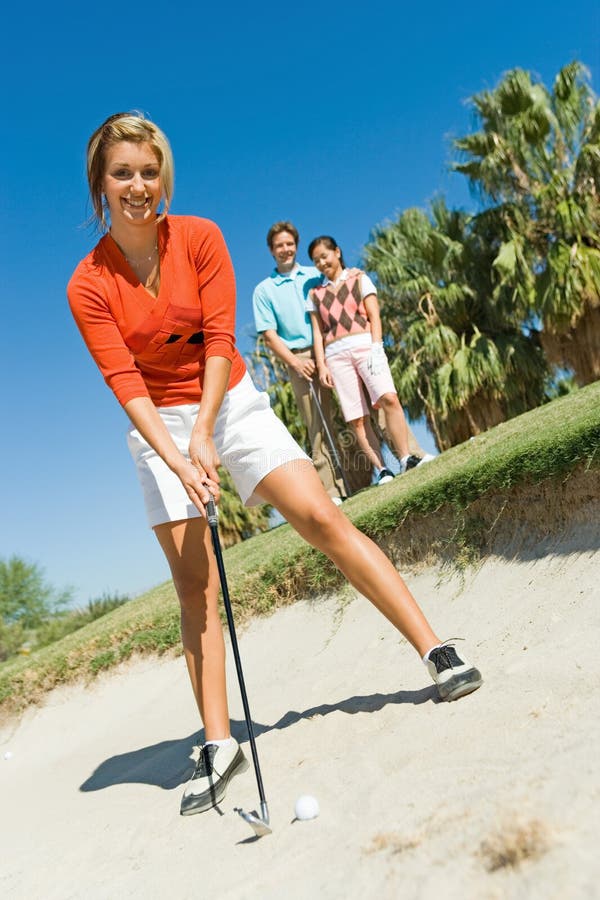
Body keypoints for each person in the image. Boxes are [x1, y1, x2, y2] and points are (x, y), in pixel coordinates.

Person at [67, 112, 482, 819]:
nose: (137, 186)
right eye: (121, 173)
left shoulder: (199, 236)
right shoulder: (89, 283)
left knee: (320, 516)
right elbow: (126, 386)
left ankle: (435, 649)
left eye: (147, 171)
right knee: (195, 587)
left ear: (161, 176)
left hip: (225, 397)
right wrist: (178, 455)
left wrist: (205, 431)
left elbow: (222, 338)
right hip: (157, 425)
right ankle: (221, 744)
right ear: (100, 185)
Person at [307, 235, 430, 485]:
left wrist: (377, 347)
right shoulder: (315, 294)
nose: (321, 263)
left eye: (324, 256)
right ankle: (383, 470)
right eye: (316, 260)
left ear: (337, 252)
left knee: (388, 398)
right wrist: (322, 366)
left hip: (365, 346)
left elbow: (374, 315)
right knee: (356, 417)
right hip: (335, 356)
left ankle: (406, 457)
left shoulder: (359, 278)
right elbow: (317, 334)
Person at [252, 222, 346, 503]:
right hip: (300, 360)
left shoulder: (313, 275)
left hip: (332, 348)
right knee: (317, 427)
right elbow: (270, 336)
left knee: (358, 411)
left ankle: (394, 462)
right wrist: (294, 362)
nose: (285, 249)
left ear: (296, 245)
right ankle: (331, 491)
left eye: (289, 244)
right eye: (279, 245)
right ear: (271, 250)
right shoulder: (264, 291)